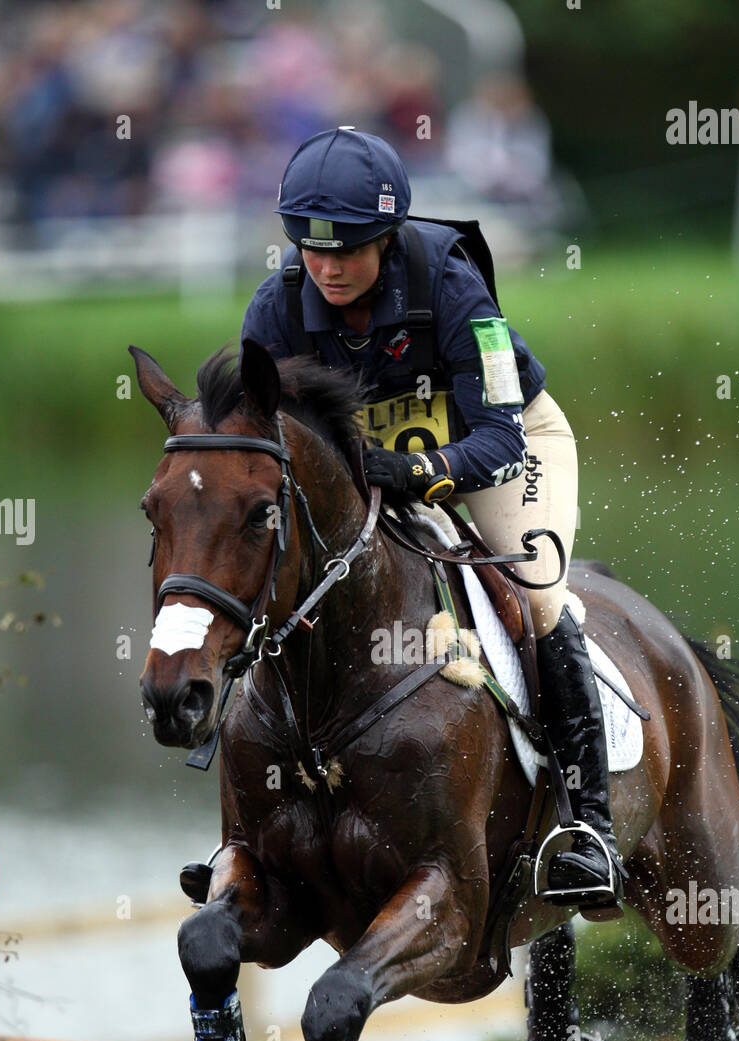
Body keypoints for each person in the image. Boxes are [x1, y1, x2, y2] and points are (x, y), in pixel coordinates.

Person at [241, 126, 624, 910]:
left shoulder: (450, 284)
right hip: (371, 473)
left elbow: (500, 437)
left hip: (499, 449)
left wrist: (415, 472)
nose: (327, 268)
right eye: (310, 251)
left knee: (539, 598)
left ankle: (591, 829)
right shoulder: (275, 311)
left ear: (386, 237)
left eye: (346, 250)